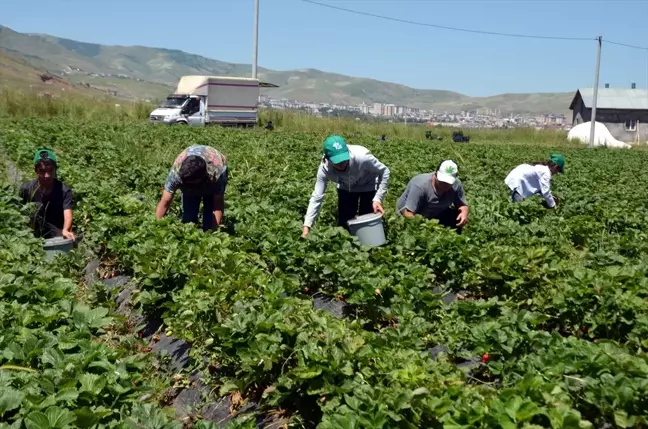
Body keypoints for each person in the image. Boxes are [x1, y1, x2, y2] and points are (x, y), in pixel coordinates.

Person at [302, 135, 390, 238]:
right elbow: (317, 197)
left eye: (344, 160)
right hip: (345, 186)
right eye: (337, 162)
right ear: (327, 158)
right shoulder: (324, 170)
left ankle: (369, 246)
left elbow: (385, 171)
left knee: (367, 218)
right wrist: (307, 226)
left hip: (368, 184)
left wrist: (378, 198)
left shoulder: (362, 157)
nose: (342, 164)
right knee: (345, 222)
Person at [156, 145, 228, 231]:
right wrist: (156, 225)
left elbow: (218, 205)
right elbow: (165, 201)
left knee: (209, 219)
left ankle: (207, 229)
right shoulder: (176, 173)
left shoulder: (218, 173)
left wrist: (213, 232)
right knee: (188, 219)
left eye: (193, 184)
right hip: (192, 173)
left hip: (211, 177)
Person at [396, 160, 469, 233]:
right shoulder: (420, 186)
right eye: (442, 181)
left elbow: (462, 205)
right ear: (436, 174)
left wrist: (464, 213)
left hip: (437, 213)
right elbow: (408, 213)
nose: (445, 185)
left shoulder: (456, 185)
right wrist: (420, 231)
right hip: (415, 215)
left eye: (448, 182)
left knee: (457, 216)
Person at [19, 148, 76, 240]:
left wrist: (65, 230)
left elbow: (68, 214)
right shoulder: (26, 189)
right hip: (31, 230)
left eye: (50, 170)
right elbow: (19, 212)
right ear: (36, 171)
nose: (47, 175)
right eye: (42, 171)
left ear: (55, 169)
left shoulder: (64, 190)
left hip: (56, 230)